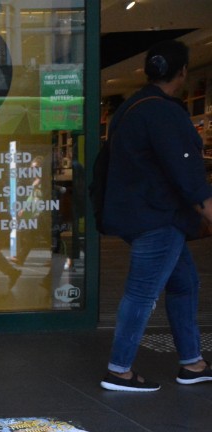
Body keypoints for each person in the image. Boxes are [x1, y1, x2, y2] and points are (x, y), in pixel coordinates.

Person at [100, 40, 212, 391]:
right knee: (142, 292)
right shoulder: (164, 111)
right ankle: (119, 370)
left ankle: (192, 363)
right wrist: (206, 207)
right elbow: (187, 170)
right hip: (159, 216)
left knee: (184, 284)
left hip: (139, 215)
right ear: (181, 73)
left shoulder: (130, 108)